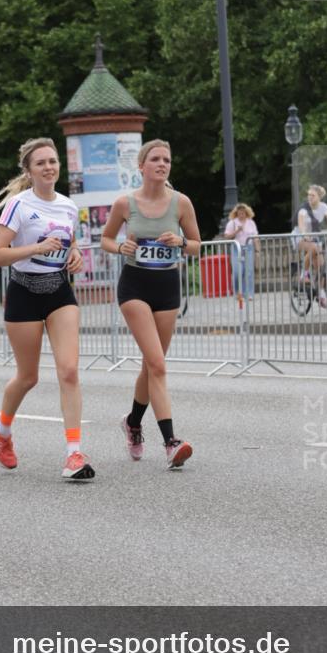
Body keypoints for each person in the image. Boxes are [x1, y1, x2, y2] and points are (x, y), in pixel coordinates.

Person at [0, 137, 94, 481]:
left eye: (53, 161)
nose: (49, 167)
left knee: (69, 371)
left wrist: (74, 254)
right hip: (23, 293)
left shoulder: (66, 205)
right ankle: (2, 430)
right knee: (28, 376)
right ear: (30, 171)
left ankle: (74, 454)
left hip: (59, 292)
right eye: (41, 163)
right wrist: (35, 247)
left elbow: (68, 242)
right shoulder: (19, 205)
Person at [100, 139, 201, 468]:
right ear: (141, 166)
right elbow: (105, 239)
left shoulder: (182, 203)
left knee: (150, 365)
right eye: (155, 159)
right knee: (157, 365)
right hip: (135, 287)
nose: (162, 164)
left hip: (168, 287)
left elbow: (197, 245)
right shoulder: (125, 204)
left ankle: (132, 422)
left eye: (167, 159)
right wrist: (121, 248)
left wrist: (181, 241)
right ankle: (171, 442)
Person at [292, 185, 327, 307]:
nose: (309, 197)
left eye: (312, 195)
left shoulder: (324, 207)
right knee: (313, 247)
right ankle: (304, 273)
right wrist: (304, 234)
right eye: (308, 195)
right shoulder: (303, 209)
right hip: (300, 236)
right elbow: (301, 224)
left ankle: (321, 294)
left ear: (319, 197)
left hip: (315, 237)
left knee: (321, 266)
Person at [224, 203, 260, 300]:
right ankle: (237, 292)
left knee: (249, 272)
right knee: (237, 272)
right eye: (239, 213)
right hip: (237, 249)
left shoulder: (251, 222)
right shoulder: (232, 223)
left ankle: (248, 293)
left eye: (243, 213)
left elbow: (255, 237)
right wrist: (236, 231)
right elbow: (226, 236)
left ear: (246, 213)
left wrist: (257, 251)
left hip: (248, 248)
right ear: (236, 213)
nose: (241, 215)